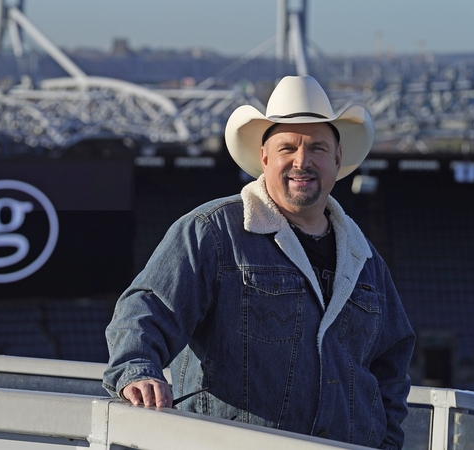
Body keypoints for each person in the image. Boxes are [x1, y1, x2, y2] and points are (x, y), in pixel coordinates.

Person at [103, 75, 415, 449]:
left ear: (337, 159)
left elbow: (391, 367)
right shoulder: (213, 232)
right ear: (265, 157)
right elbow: (146, 308)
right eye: (288, 148)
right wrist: (138, 371)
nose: (302, 161)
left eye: (317, 148)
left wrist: (387, 441)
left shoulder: (364, 258)